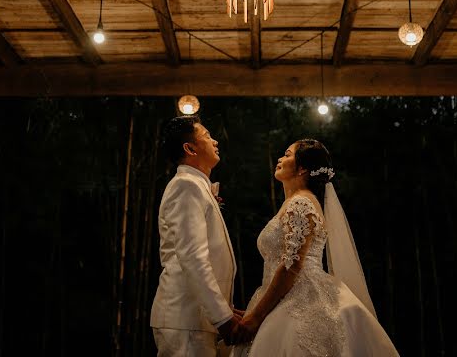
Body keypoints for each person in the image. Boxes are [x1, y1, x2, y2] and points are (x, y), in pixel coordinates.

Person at [232, 139, 399, 356]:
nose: (280, 159)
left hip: (301, 298)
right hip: (284, 294)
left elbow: (291, 266)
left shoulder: (301, 203)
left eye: (287, 154)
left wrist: (256, 318)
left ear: (302, 168)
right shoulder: (296, 202)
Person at [151, 115, 244, 356]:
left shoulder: (197, 185)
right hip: (185, 319)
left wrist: (225, 308)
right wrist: (223, 318)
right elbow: (192, 257)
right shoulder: (186, 185)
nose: (215, 141)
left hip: (198, 319)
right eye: (206, 136)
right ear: (190, 148)